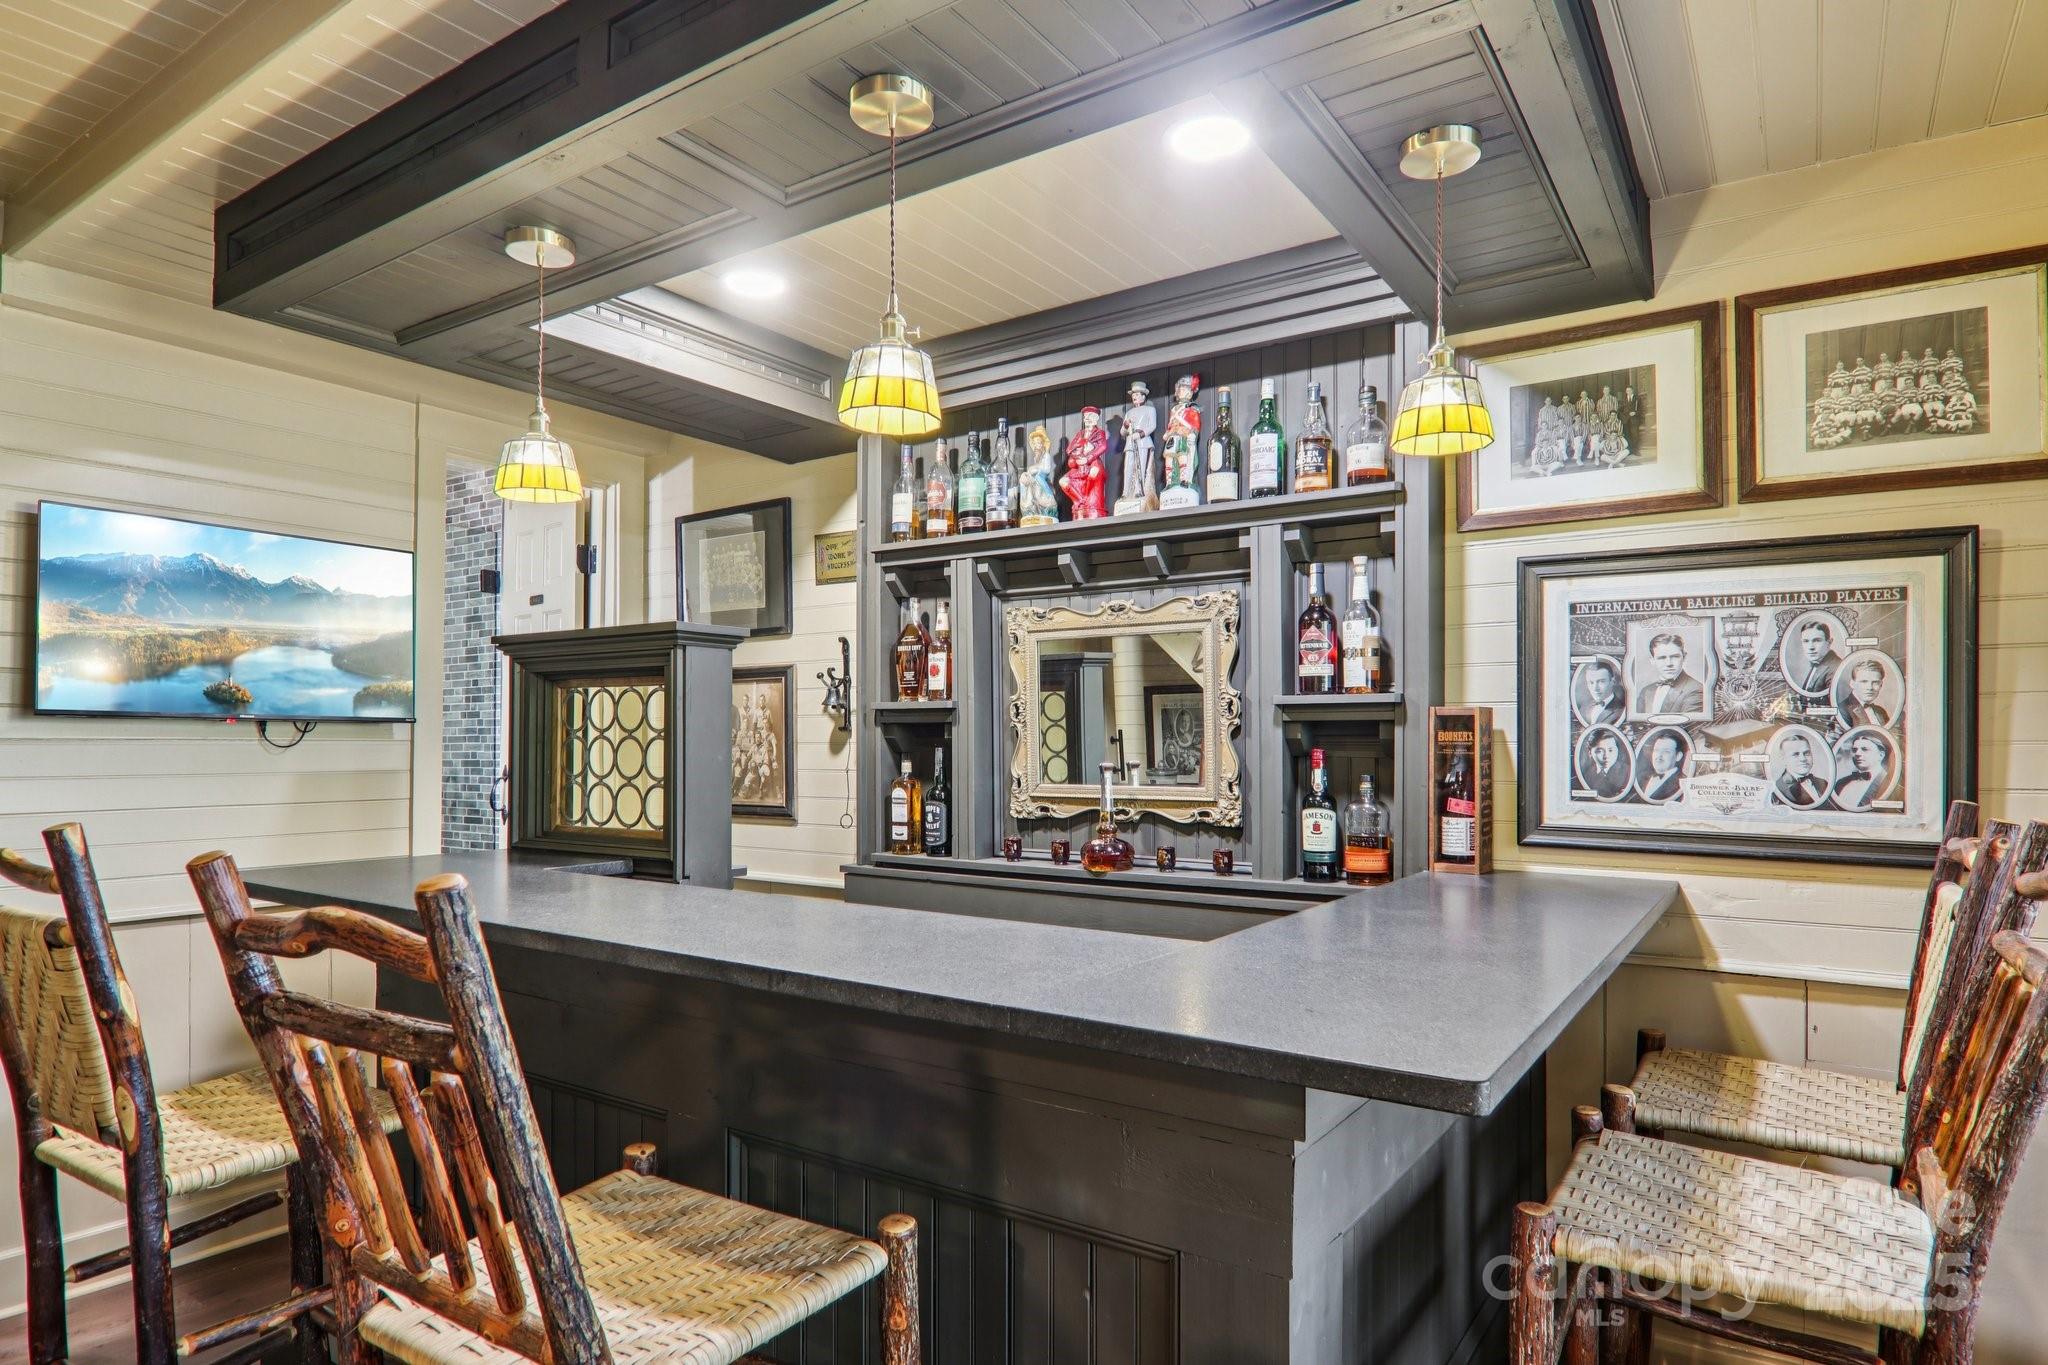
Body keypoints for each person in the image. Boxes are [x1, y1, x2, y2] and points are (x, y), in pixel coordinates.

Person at [1635, 632, 1705, 716]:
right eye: (1662, 658)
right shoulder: (1646, 691)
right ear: (1652, 661)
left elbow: (1688, 726)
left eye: (1675, 656)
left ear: (1684, 657)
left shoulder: (1696, 689)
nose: (1668, 663)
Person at [1061, 407, 1110, 518]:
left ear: (1096, 419)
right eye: (1085, 417)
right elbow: (1069, 449)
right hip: (1079, 465)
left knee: (1094, 473)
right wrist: (1079, 454)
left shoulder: (1099, 432)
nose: (1087, 419)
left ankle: (1089, 501)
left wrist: (1088, 457)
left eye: (1090, 416)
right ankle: (1079, 501)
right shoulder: (1080, 434)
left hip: (1093, 462)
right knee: (1063, 481)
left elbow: (1102, 446)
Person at [1832, 732, 1892, 810]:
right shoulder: (1841, 782)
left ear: (1881, 755)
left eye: (1864, 749)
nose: (1857, 753)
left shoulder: (1888, 782)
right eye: (1854, 750)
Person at [1774, 733, 1827, 807]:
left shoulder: (1823, 783)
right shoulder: (1777, 789)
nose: (1803, 759)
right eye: (1795, 754)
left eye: (1806, 753)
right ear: (1783, 759)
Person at [1837, 658, 1893, 728]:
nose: (1870, 687)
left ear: (1881, 685)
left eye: (1875, 682)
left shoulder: (1881, 711)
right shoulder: (1841, 710)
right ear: (1852, 684)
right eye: (1864, 681)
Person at [1791, 619, 1840, 694]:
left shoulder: (1835, 668)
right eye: (1806, 641)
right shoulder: (1817, 662)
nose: (1811, 647)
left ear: (1829, 642)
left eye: (1817, 640)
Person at [1580, 730, 1630, 800]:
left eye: (1611, 750)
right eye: (1599, 751)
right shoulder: (1586, 775)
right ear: (1590, 753)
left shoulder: (1628, 772)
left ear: (1617, 750)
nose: (1606, 756)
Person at [1638, 732, 1686, 803]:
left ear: (1678, 756)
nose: (1659, 756)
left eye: (1666, 751)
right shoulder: (1641, 777)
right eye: (1656, 750)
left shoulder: (1684, 784)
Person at [1579, 659, 1626, 727]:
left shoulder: (1621, 710)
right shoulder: (1583, 708)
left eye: (1601, 681)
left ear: (1613, 681)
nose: (1595, 688)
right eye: (1591, 682)